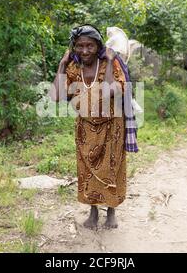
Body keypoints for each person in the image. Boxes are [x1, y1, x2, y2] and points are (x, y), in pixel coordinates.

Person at [49, 24, 135, 229]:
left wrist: (110, 58)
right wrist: (62, 64)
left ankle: (112, 211)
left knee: (112, 168)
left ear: (98, 46)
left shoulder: (111, 65)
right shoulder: (73, 68)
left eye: (90, 46)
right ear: (74, 47)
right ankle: (93, 211)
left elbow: (107, 93)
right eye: (79, 46)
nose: (85, 51)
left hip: (112, 126)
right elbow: (56, 96)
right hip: (85, 127)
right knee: (87, 170)